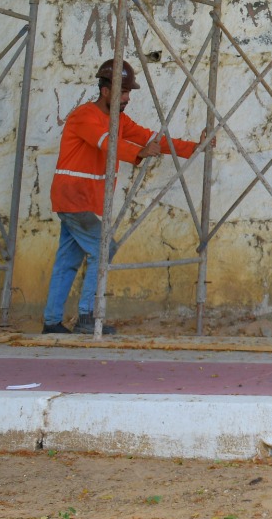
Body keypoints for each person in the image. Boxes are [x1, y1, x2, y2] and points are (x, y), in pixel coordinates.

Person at [43, 59, 205, 335]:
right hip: (73, 197)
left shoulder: (117, 120)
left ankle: (51, 322)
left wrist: (193, 147)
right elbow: (107, 143)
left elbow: (150, 137)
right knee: (106, 248)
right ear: (106, 91)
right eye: (124, 92)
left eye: (129, 93)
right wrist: (137, 153)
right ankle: (86, 317)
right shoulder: (84, 116)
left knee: (68, 259)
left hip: (81, 200)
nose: (127, 98)